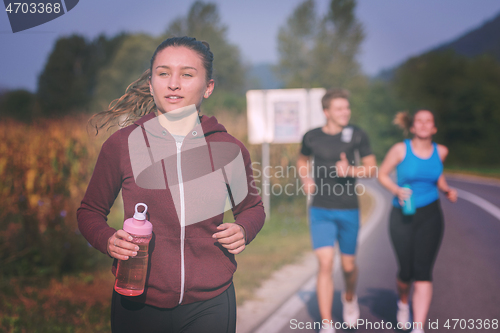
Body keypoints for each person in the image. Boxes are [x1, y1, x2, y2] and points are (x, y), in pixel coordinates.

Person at [77, 36, 265, 333]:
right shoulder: (123, 145)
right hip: (136, 299)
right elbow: (89, 211)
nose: (173, 83)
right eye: (163, 73)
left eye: (187, 75)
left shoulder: (229, 148)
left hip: (211, 301)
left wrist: (244, 229)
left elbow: (253, 208)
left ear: (208, 87)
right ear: (151, 85)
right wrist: (106, 238)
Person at [297, 89, 377, 332]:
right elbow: (302, 160)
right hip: (320, 209)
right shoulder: (311, 136)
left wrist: (351, 171)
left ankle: (349, 298)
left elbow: (372, 168)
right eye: (340, 108)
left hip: (348, 209)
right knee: (325, 263)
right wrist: (305, 178)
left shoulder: (357, 135)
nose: (346, 112)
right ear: (326, 112)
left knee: (349, 266)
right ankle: (327, 323)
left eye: (347, 108)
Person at [378, 110, 457, 333]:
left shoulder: (441, 151)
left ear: (434, 128)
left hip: (430, 215)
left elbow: (437, 175)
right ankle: (403, 302)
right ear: (412, 127)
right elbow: (382, 174)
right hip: (402, 214)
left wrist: (446, 189)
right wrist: (396, 190)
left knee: (423, 271)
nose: (423, 125)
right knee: (406, 271)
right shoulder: (400, 149)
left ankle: (418, 327)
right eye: (419, 121)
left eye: (428, 121)